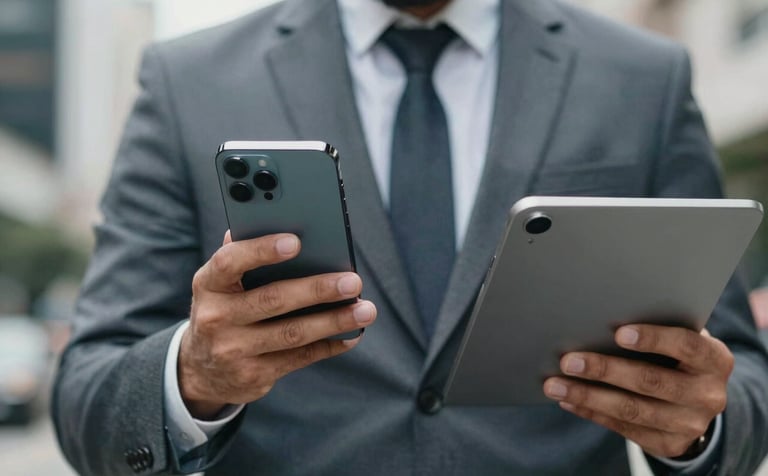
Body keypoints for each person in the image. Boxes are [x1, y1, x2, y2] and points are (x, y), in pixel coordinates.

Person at [52, 0, 768, 475]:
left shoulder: (641, 77)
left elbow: (743, 381)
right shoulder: (188, 81)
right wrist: (193, 378)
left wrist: (696, 430)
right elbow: (88, 396)